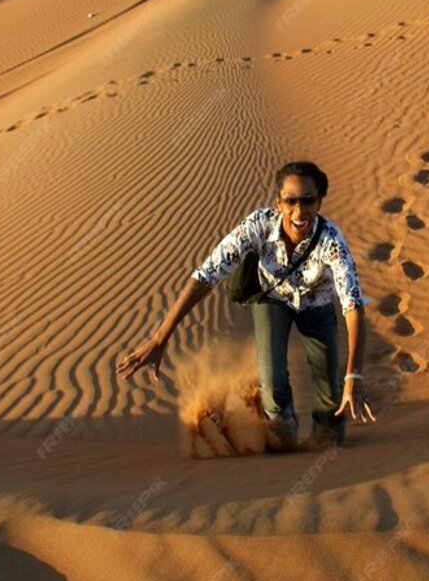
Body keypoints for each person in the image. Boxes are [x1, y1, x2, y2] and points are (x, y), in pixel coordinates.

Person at [116, 161, 376, 451]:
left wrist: (354, 374)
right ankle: (286, 450)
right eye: (290, 200)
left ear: (319, 202)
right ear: (278, 203)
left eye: (308, 200)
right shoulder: (258, 226)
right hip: (272, 299)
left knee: (331, 395)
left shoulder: (332, 243)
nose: (299, 210)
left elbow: (353, 307)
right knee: (273, 386)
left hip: (318, 304)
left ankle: (326, 449)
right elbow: (206, 275)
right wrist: (159, 337)